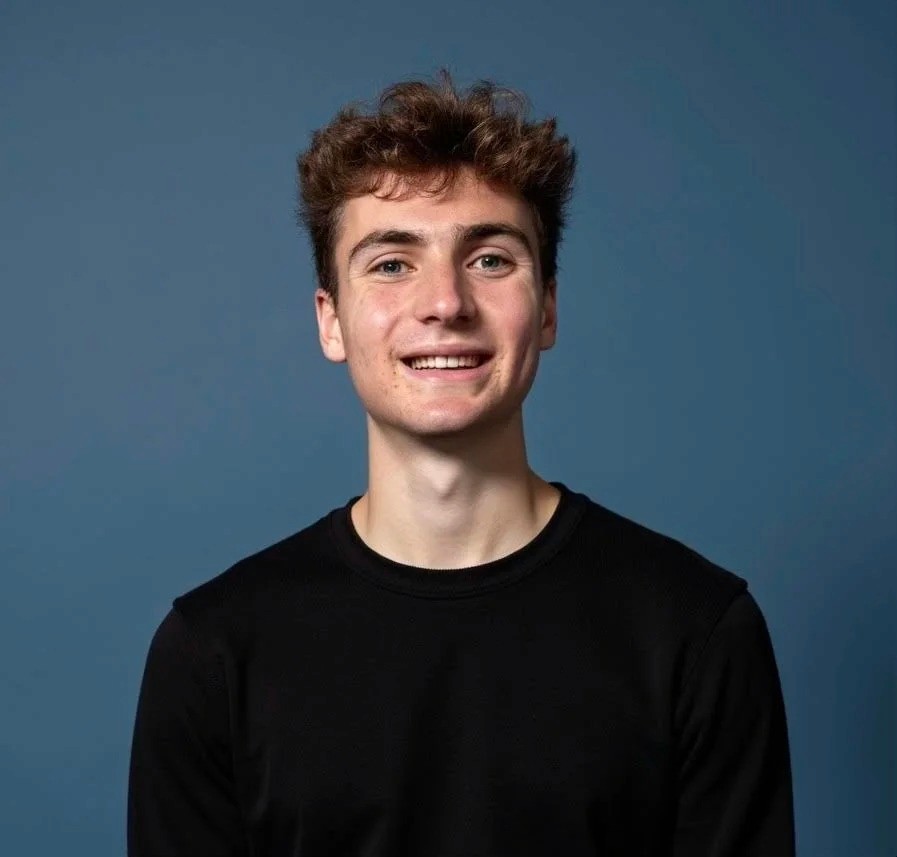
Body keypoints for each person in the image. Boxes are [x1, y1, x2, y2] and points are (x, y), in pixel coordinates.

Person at [128, 72, 795, 856]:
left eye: (489, 259)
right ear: (330, 321)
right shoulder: (212, 652)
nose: (444, 302)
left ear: (547, 307)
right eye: (391, 263)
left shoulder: (696, 631)